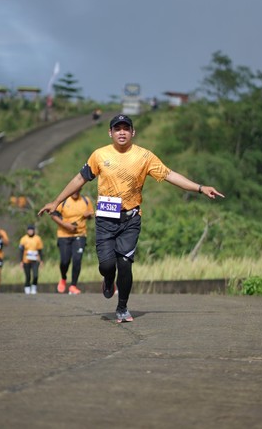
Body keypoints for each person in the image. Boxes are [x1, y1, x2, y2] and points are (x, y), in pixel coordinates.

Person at [38, 114, 224, 323]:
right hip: (105, 220)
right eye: (117, 129)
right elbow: (80, 178)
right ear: (110, 133)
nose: (122, 132)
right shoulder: (99, 155)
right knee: (107, 266)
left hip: (130, 219)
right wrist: (56, 202)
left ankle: (122, 307)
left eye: (126, 128)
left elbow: (170, 175)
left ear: (133, 132)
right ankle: (109, 279)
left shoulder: (144, 156)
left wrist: (200, 188)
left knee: (125, 264)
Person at [50, 189, 94, 295]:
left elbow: (91, 215)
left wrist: (88, 215)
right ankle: (63, 278)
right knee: (65, 261)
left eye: (77, 190)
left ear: (80, 189)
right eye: (74, 190)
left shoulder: (86, 200)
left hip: (80, 234)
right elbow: (53, 215)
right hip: (64, 235)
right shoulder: (64, 201)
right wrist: (65, 225)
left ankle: (73, 285)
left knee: (77, 259)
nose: (75, 192)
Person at [19, 224, 44, 295]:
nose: (30, 232)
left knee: (35, 275)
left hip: (35, 260)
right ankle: (27, 287)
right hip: (26, 260)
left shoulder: (37, 238)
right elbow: (21, 251)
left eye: (31, 230)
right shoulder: (23, 239)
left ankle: (34, 287)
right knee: (28, 275)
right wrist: (21, 261)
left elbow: (40, 250)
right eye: (29, 230)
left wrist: (41, 260)